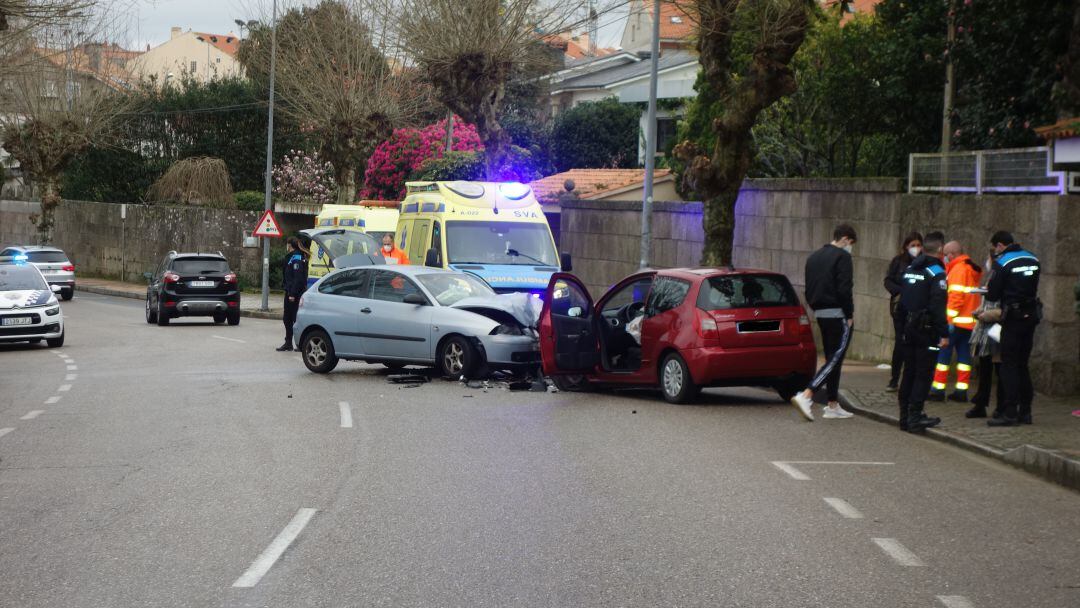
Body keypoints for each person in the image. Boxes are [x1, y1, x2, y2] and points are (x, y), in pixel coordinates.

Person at [789, 224, 858, 421]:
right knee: (835, 358)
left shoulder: (814, 257)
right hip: (838, 314)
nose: (850, 247)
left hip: (821, 313)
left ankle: (832, 404)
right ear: (845, 239)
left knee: (832, 358)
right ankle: (807, 395)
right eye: (851, 243)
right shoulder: (843, 257)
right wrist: (849, 313)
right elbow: (845, 288)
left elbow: (808, 287)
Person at [985, 231, 1041, 426]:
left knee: (1009, 365)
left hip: (1013, 318)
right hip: (1031, 314)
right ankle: (1026, 412)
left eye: (995, 248)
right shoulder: (1033, 258)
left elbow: (992, 295)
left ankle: (1010, 412)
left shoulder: (1004, 262)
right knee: (1022, 364)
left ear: (1000, 245)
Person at [896, 233, 948, 433]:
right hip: (926, 331)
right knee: (923, 375)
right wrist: (944, 333)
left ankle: (904, 417)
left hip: (908, 329)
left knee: (908, 372)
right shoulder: (936, 272)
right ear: (940, 249)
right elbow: (937, 305)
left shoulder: (910, 269)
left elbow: (902, 302)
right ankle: (915, 417)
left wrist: (901, 328)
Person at [927, 241, 982, 402]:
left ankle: (937, 390)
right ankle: (961, 391)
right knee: (964, 357)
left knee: (943, 356)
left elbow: (955, 298)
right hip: (968, 323)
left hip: (955, 322)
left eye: (945, 254)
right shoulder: (969, 268)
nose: (944, 258)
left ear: (951, 254)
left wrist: (947, 321)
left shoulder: (958, 270)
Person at [884, 232, 924, 392]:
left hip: (918, 309)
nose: (916, 248)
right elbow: (888, 280)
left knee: (915, 343)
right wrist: (902, 291)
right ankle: (894, 379)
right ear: (905, 247)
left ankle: (912, 379)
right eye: (912, 245)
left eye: (918, 245)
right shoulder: (898, 261)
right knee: (900, 343)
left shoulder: (925, 263)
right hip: (900, 308)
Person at [277, 237, 309, 352]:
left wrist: (292, 293)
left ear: (290, 245)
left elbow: (298, 278)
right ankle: (288, 342)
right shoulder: (294, 257)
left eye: (287, 244)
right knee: (288, 318)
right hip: (291, 291)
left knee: (294, 318)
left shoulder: (296, 258)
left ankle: (299, 343)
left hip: (294, 293)